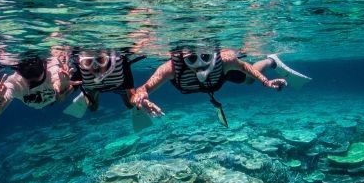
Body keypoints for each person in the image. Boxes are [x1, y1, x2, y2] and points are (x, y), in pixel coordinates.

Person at [130, 47, 309, 126]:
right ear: (182, 57)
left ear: (214, 54)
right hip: (208, 84)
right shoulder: (171, 68)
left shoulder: (225, 60)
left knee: (249, 79)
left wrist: (266, 82)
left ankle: (271, 61)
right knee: (247, 79)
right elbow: (144, 88)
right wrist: (141, 98)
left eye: (206, 56)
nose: (200, 63)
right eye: (192, 59)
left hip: (219, 78)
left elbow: (245, 67)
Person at [64, 48, 164, 118]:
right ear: (80, 62)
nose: (95, 67)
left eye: (100, 60)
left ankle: (90, 93)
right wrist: (60, 88)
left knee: (130, 105)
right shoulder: (80, 70)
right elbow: (66, 90)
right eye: (88, 63)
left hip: (119, 85)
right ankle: (90, 93)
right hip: (94, 87)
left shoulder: (121, 65)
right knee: (93, 108)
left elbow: (132, 95)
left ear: (107, 59)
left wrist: (139, 101)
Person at [0, 54, 76, 116]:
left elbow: (59, 89)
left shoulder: (54, 71)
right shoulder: (15, 82)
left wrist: (62, 87)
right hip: (50, 99)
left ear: (45, 66)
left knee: (67, 90)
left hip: (53, 99)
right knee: (61, 96)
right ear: (19, 73)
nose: (35, 85)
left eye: (40, 79)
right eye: (31, 83)